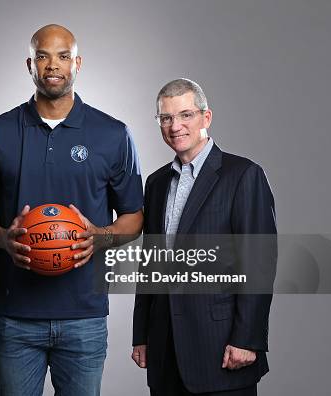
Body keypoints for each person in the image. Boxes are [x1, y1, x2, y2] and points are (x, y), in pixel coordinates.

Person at [0, 24, 143, 396]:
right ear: (29, 64)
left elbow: (134, 216)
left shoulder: (112, 133)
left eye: (63, 56)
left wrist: (102, 236)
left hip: (85, 315)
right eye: (43, 56)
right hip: (16, 315)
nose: (53, 65)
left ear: (77, 63)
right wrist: (3, 238)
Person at [132, 78, 276, 395]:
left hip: (222, 346)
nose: (175, 126)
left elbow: (259, 264)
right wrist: (141, 333)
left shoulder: (243, 175)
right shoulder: (156, 184)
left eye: (185, 115)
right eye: (166, 118)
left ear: (205, 118)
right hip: (165, 348)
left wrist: (247, 338)